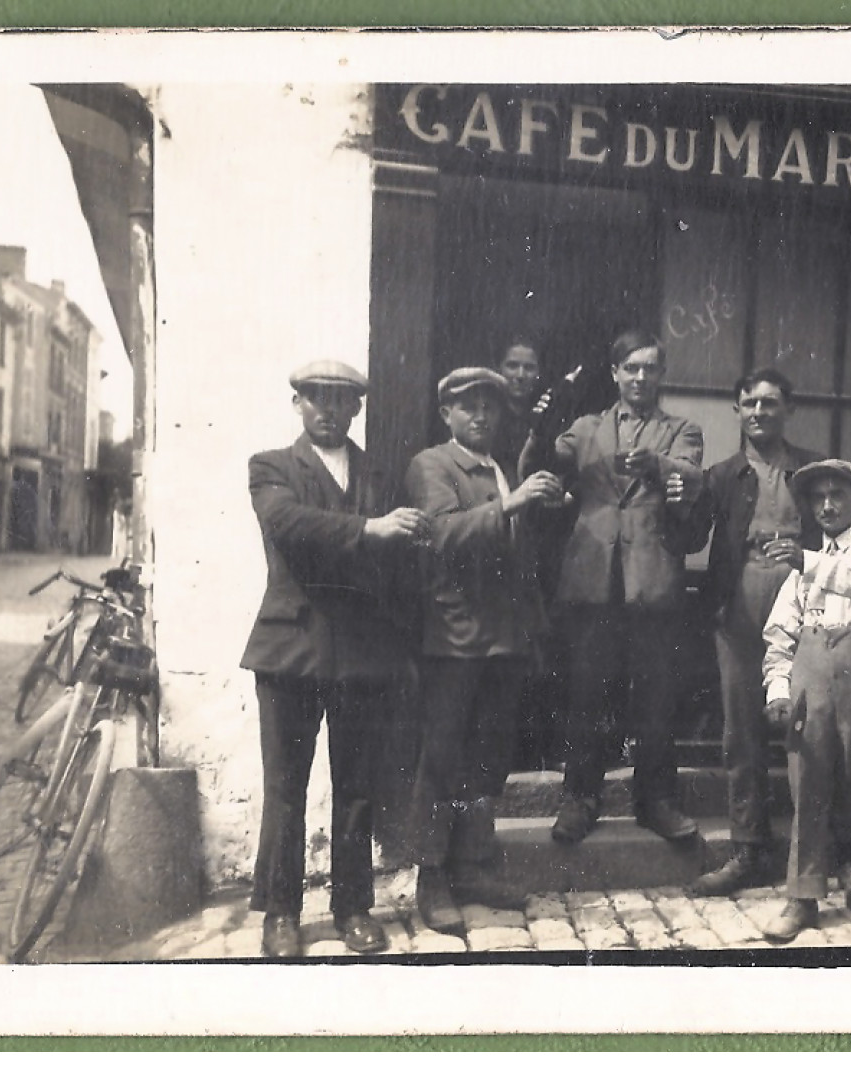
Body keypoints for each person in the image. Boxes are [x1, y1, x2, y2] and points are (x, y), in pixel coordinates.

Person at [240, 360, 431, 958]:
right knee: (286, 786)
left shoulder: (377, 472)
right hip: (290, 646)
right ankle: (280, 913)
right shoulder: (272, 466)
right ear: (296, 402)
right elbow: (287, 525)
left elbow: (399, 554)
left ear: (357, 409)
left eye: (341, 400)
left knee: (355, 787)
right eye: (316, 398)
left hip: (361, 653)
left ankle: (352, 908)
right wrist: (370, 532)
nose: (328, 409)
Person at [521, 328, 704, 844]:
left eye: (651, 368)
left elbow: (691, 476)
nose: (641, 377)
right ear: (615, 374)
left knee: (655, 698)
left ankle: (657, 802)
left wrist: (658, 464)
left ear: (661, 375)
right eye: (632, 368)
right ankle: (580, 800)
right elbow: (543, 468)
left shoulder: (681, 428)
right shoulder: (586, 428)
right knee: (586, 696)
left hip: (652, 581)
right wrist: (541, 424)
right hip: (591, 583)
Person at [402, 367, 565, 935]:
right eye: (468, 406)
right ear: (447, 413)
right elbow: (441, 533)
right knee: (441, 760)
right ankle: (431, 876)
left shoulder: (503, 468)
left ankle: (472, 867)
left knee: (487, 760)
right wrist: (514, 503)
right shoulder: (434, 464)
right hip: (454, 638)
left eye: (490, 406)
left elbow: (518, 554)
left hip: (504, 640)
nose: (481, 416)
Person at [757, 459, 851, 943]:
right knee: (807, 789)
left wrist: (811, 562)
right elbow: (779, 635)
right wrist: (779, 690)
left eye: (837, 495)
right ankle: (801, 899)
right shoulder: (800, 570)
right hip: (812, 672)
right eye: (818, 497)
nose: (826, 505)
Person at [686, 369, 823, 896]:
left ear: (789, 408)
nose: (759, 413)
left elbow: (841, 537)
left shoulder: (813, 469)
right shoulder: (721, 475)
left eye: (769, 403)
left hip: (805, 605)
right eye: (749, 404)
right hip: (739, 604)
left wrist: (806, 559)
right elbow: (690, 535)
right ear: (737, 411)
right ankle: (747, 851)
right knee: (741, 731)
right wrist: (681, 494)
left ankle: (814, 851)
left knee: (808, 727)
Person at [493, 337, 544, 478]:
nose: (520, 375)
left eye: (529, 368)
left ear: (538, 373)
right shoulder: (488, 417)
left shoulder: (543, 418)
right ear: (499, 369)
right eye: (512, 366)